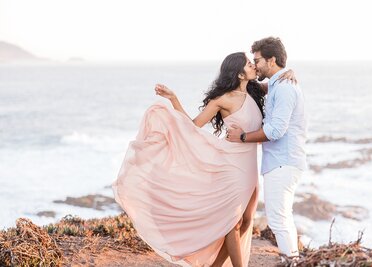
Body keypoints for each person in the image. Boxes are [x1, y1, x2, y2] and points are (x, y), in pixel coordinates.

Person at [113, 52, 293, 266]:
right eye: (248, 63)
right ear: (239, 73)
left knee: (246, 222)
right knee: (232, 223)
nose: (253, 65)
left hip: (250, 167)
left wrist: (288, 72)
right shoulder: (222, 99)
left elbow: (277, 83)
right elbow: (192, 126)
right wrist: (174, 99)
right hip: (232, 167)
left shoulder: (255, 91)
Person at [226, 37, 307, 258]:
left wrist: (242, 136)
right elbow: (253, 85)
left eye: (257, 60)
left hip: (283, 162)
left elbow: (275, 131)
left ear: (271, 60)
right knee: (283, 217)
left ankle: (291, 261)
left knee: (278, 218)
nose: (255, 64)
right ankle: (293, 260)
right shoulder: (277, 84)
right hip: (281, 162)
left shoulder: (284, 88)